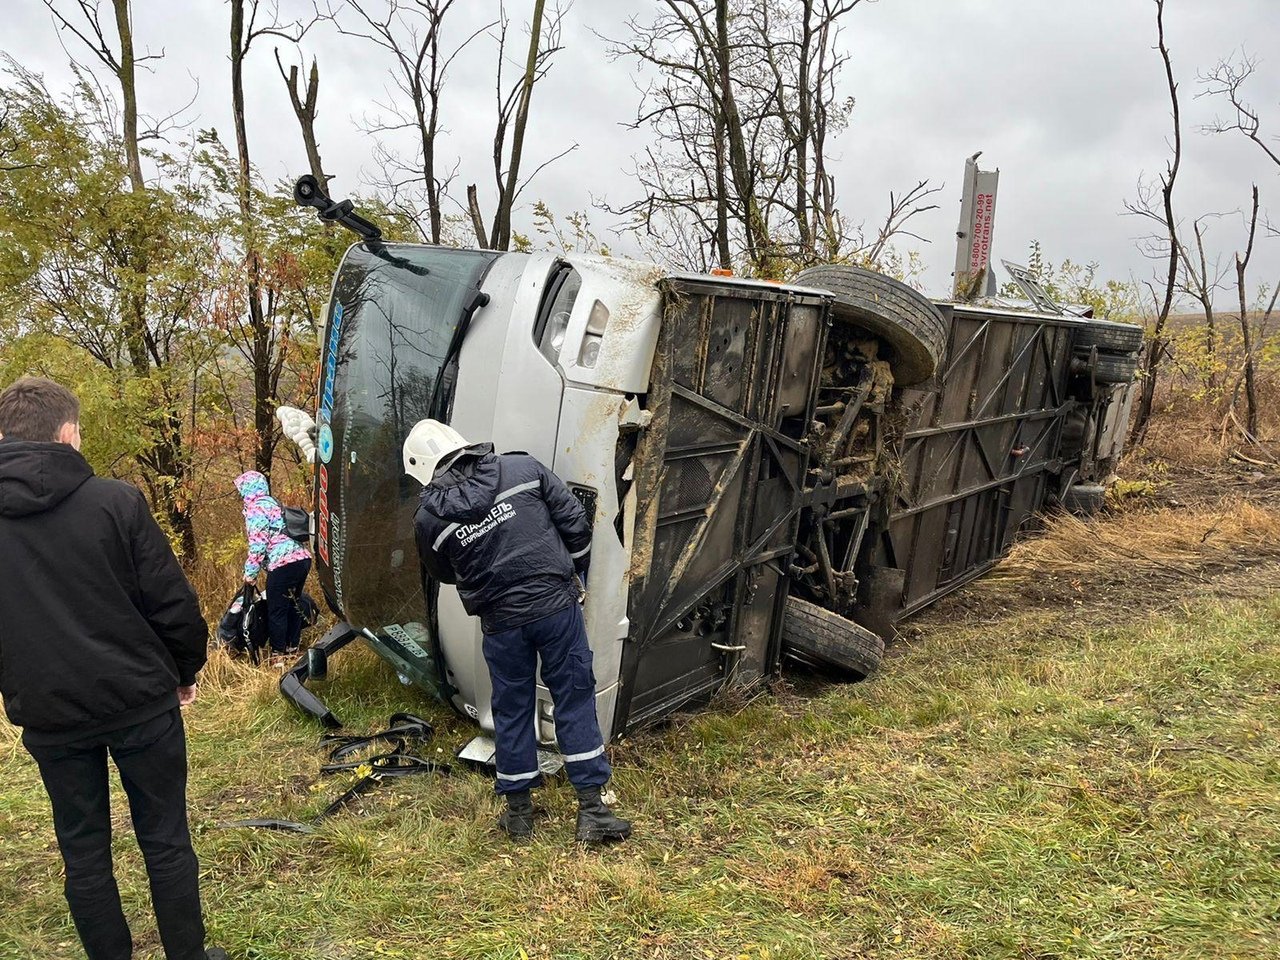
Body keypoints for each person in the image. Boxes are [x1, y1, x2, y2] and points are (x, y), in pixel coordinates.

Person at [0, 377, 226, 960]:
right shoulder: (116, 501)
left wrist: (19, 687)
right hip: (139, 702)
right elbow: (171, 602)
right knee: (165, 840)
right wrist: (185, 670)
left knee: (83, 853)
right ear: (69, 432)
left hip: (52, 717)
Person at [404, 419, 632, 845]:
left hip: (501, 623)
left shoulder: (428, 519)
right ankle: (592, 810)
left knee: (511, 706)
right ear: (461, 444)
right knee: (573, 695)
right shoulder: (522, 470)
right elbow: (576, 526)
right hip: (555, 608)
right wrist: (571, 575)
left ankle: (519, 814)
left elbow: (445, 575)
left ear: (422, 468)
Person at [234, 470, 312, 667]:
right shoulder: (274, 504)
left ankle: (278, 656)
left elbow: (258, 544)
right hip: (302, 560)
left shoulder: (255, 509)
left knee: (277, 609)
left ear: (247, 489)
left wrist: (250, 574)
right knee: (293, 605)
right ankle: (292, 649)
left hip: (283, 563)